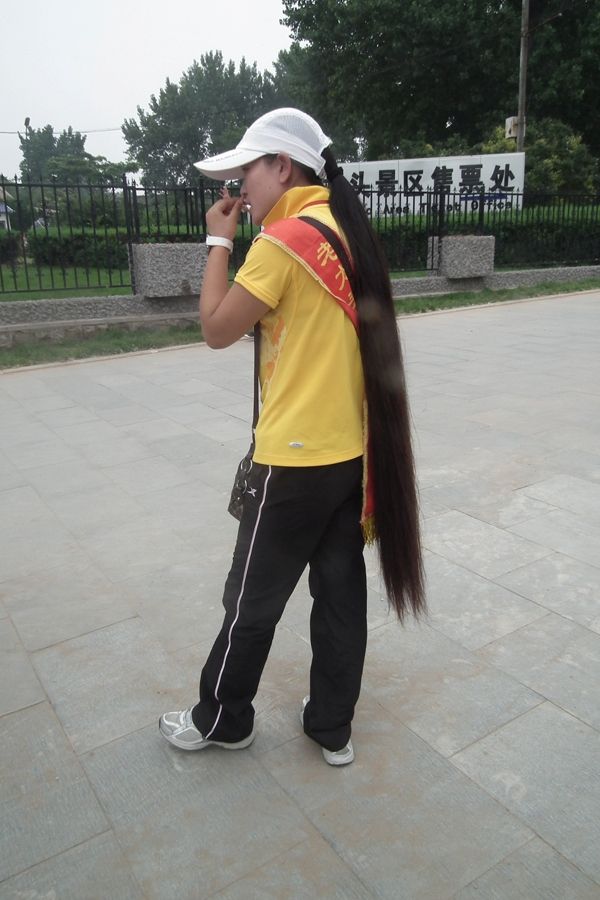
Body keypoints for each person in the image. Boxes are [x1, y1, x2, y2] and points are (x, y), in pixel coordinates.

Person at [159, 108, 425, 766]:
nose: (239, 189)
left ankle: (223, 719)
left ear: (283, 165)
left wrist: (218, 244)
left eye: (247, 170)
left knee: (251, 598)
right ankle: (332, 727)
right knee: (339, 597)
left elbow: (218, 328)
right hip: (351, 456)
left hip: (293, 461)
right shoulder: (346, 232)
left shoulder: (284, 244)